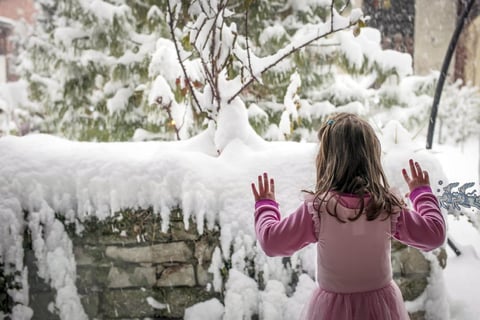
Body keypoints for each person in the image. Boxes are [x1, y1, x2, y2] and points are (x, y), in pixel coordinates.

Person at [251, 112, 446, 320]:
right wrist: (422, 194)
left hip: (331, 311)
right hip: (381, 309)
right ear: (371, 158)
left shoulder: (319, 210)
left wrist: (265, 206)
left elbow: (272, 242)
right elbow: (434, 235)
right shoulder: (386, 207)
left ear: (326, 160)